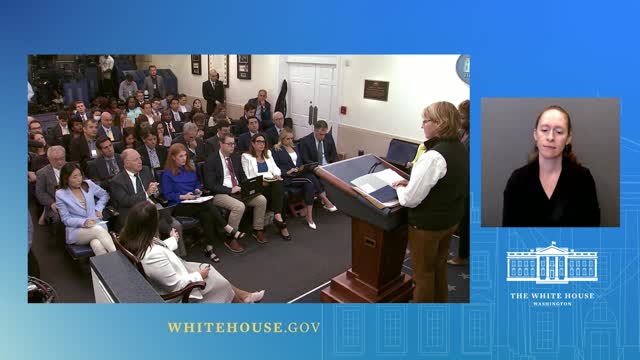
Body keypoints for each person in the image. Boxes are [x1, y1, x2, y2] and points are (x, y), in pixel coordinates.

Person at [392, 101, 469, 303]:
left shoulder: (434, 156)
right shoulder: (460, 148)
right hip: (450, 222)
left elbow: (409, 199)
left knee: (423, 275)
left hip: (427, 228)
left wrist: (401, 187)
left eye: (425, 121)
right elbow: (443, 182)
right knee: (439, 268)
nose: (422, 125)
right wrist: (412, 182)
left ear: (439, 123)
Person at [119, 201, 264, 303]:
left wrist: (173, 240)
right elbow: (175, 286)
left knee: (214, 272)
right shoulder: (152, 255)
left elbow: (158, 248)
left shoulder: (135, 238)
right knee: (221, 283)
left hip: (178, 269)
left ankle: (245, 297)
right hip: (179, 291)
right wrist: (198, 276)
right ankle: (242, 303)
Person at [502, 105, 600, 226]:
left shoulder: (583, 179)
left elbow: (592, 233)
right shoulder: (517, 180)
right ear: (535, 134)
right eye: (544, 130)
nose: (550, 137)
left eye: (559, 132)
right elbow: (508, 235)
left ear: (568, 138)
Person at [161, 143, 246, 262]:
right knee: (208, 205)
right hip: (178, 204)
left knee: (207, 215)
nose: (184, 158)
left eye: (185, 155)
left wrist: (197, 191)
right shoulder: (167, 173)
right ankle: (228, 229)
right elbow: (167, 194)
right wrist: (183, 196)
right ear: (173, 157)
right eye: (181, 156)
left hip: (194, 202)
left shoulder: (189, 169)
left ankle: (209, 248)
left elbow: (196, 184)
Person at [110, 149, 187, 257]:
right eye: (136, 159)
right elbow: (125, 201)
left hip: (153, 210)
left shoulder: (145, 170)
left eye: (140, 158)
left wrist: (155, 191)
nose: (140, 161)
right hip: (134, 215)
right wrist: (146, 193)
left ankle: (180, 258)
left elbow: (157, 188)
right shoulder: (117, 181)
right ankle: (163, 260)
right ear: (127, 163)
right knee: (155, 230)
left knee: (176, 226)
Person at [203, 133, 269, 252]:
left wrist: (246, 185)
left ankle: (258, 229)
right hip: (220, 193)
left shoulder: (235, 157)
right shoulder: (211, 160)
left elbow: (242, 176)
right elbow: (209, 184)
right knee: (239, 206)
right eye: (229, 144)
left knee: (261, 200)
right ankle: (230, 237)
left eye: (233, 144)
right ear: (221, 144)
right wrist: (229, 190)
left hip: (238, 190)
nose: (232, 146)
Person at [272, 128, 337, 229]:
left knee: (309, 181)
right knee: (309, 180)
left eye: (292, 138)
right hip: (287, 178)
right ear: (282, 139)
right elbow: (274, 167)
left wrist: (300, 168)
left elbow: (300, 163)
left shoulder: (295, 147)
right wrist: (286, 172)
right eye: (288, 139)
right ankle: (325, 200)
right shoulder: (276, 150)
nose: (290, 141)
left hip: (297, 174)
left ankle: (309, 217)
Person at [55, 162, 116, 256]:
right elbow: (66, 219)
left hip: (96, 224)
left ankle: (107, 269)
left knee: (97, 245)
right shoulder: (60, 194)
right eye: (74, 177)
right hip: (77, 231)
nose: (79, 179)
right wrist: (83, 222)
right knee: (98, 230)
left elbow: (104, 195)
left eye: (80, 175)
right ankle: (118, 258)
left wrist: (98, 209)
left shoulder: (88, 184)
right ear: (66, 179)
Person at [241, 133, 291, 240]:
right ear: (253, 144)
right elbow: (249, 176)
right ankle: (281, 222)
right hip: (258, 186)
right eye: (258, 142)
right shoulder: (246, 157)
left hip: (271, 184)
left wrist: (277, 175)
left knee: (278, 182)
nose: (261, 144)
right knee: (280, 189)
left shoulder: (268, 153)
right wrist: (263, 180)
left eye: (263, 142)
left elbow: (275, 168)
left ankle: (278, 216)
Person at [449, 99, 470, 266]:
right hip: (458, 182)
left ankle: (462, 256)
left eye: (462, 117)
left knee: (467, 222)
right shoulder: (461, 132)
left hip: (470, 184)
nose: (459, 119)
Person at [35, 146, 66, 225]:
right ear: (49, 159)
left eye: (62, 158)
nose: (60, 162)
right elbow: (40, 193)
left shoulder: (73, 167)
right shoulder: (42, 173)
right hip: (55, 205)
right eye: (56, 160)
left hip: (76, 202)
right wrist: (51, 203)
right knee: (59, 219)